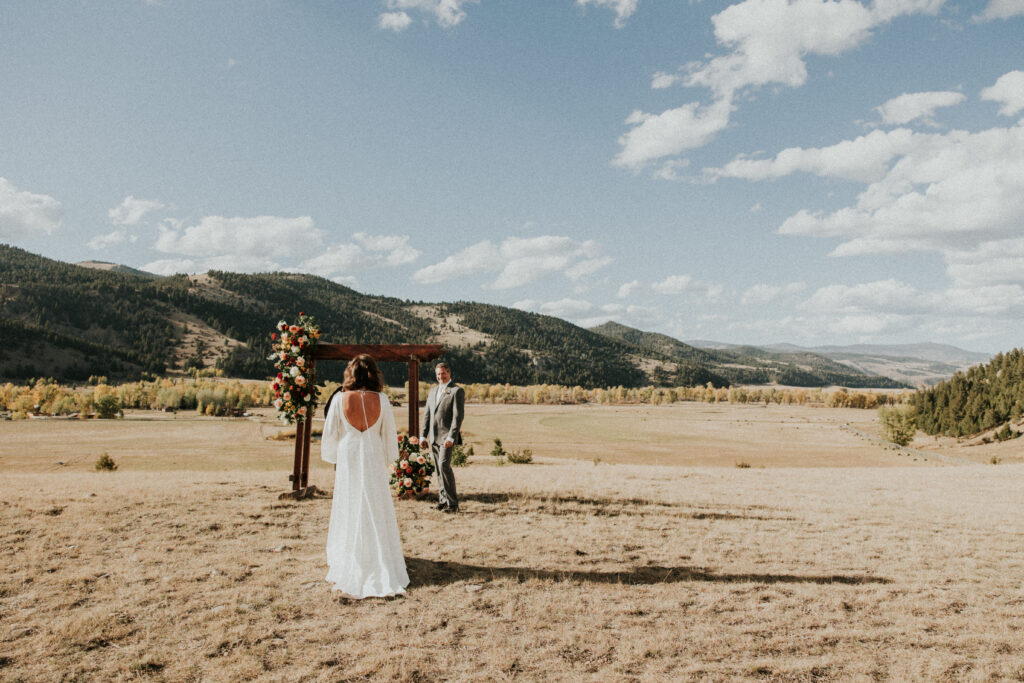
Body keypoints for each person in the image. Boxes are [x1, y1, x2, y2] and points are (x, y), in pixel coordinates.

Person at [321, 354, 409, 598]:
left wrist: (334, 454)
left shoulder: (340, 399)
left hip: (349, 454)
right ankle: (377, 556)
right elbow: (389, 435)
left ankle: (351, 557)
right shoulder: (382, 400)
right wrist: (390, 458)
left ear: (350, 373)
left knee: (350, 503)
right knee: (375, 502)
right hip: (372, 454)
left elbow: (330, 434)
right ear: (374, 373)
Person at [420, 361, 464, 513]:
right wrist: (422, 436)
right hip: (433, 437)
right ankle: (443, 500)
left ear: (449, 373)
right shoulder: (433, 391)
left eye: (443, 373)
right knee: (438, 469)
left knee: (444, 466)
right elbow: (427, 415)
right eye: (438, 374)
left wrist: (452, 436)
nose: (441, 377)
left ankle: (453, 504)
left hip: (446, 438)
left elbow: (458, 417)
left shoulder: (456, 391)